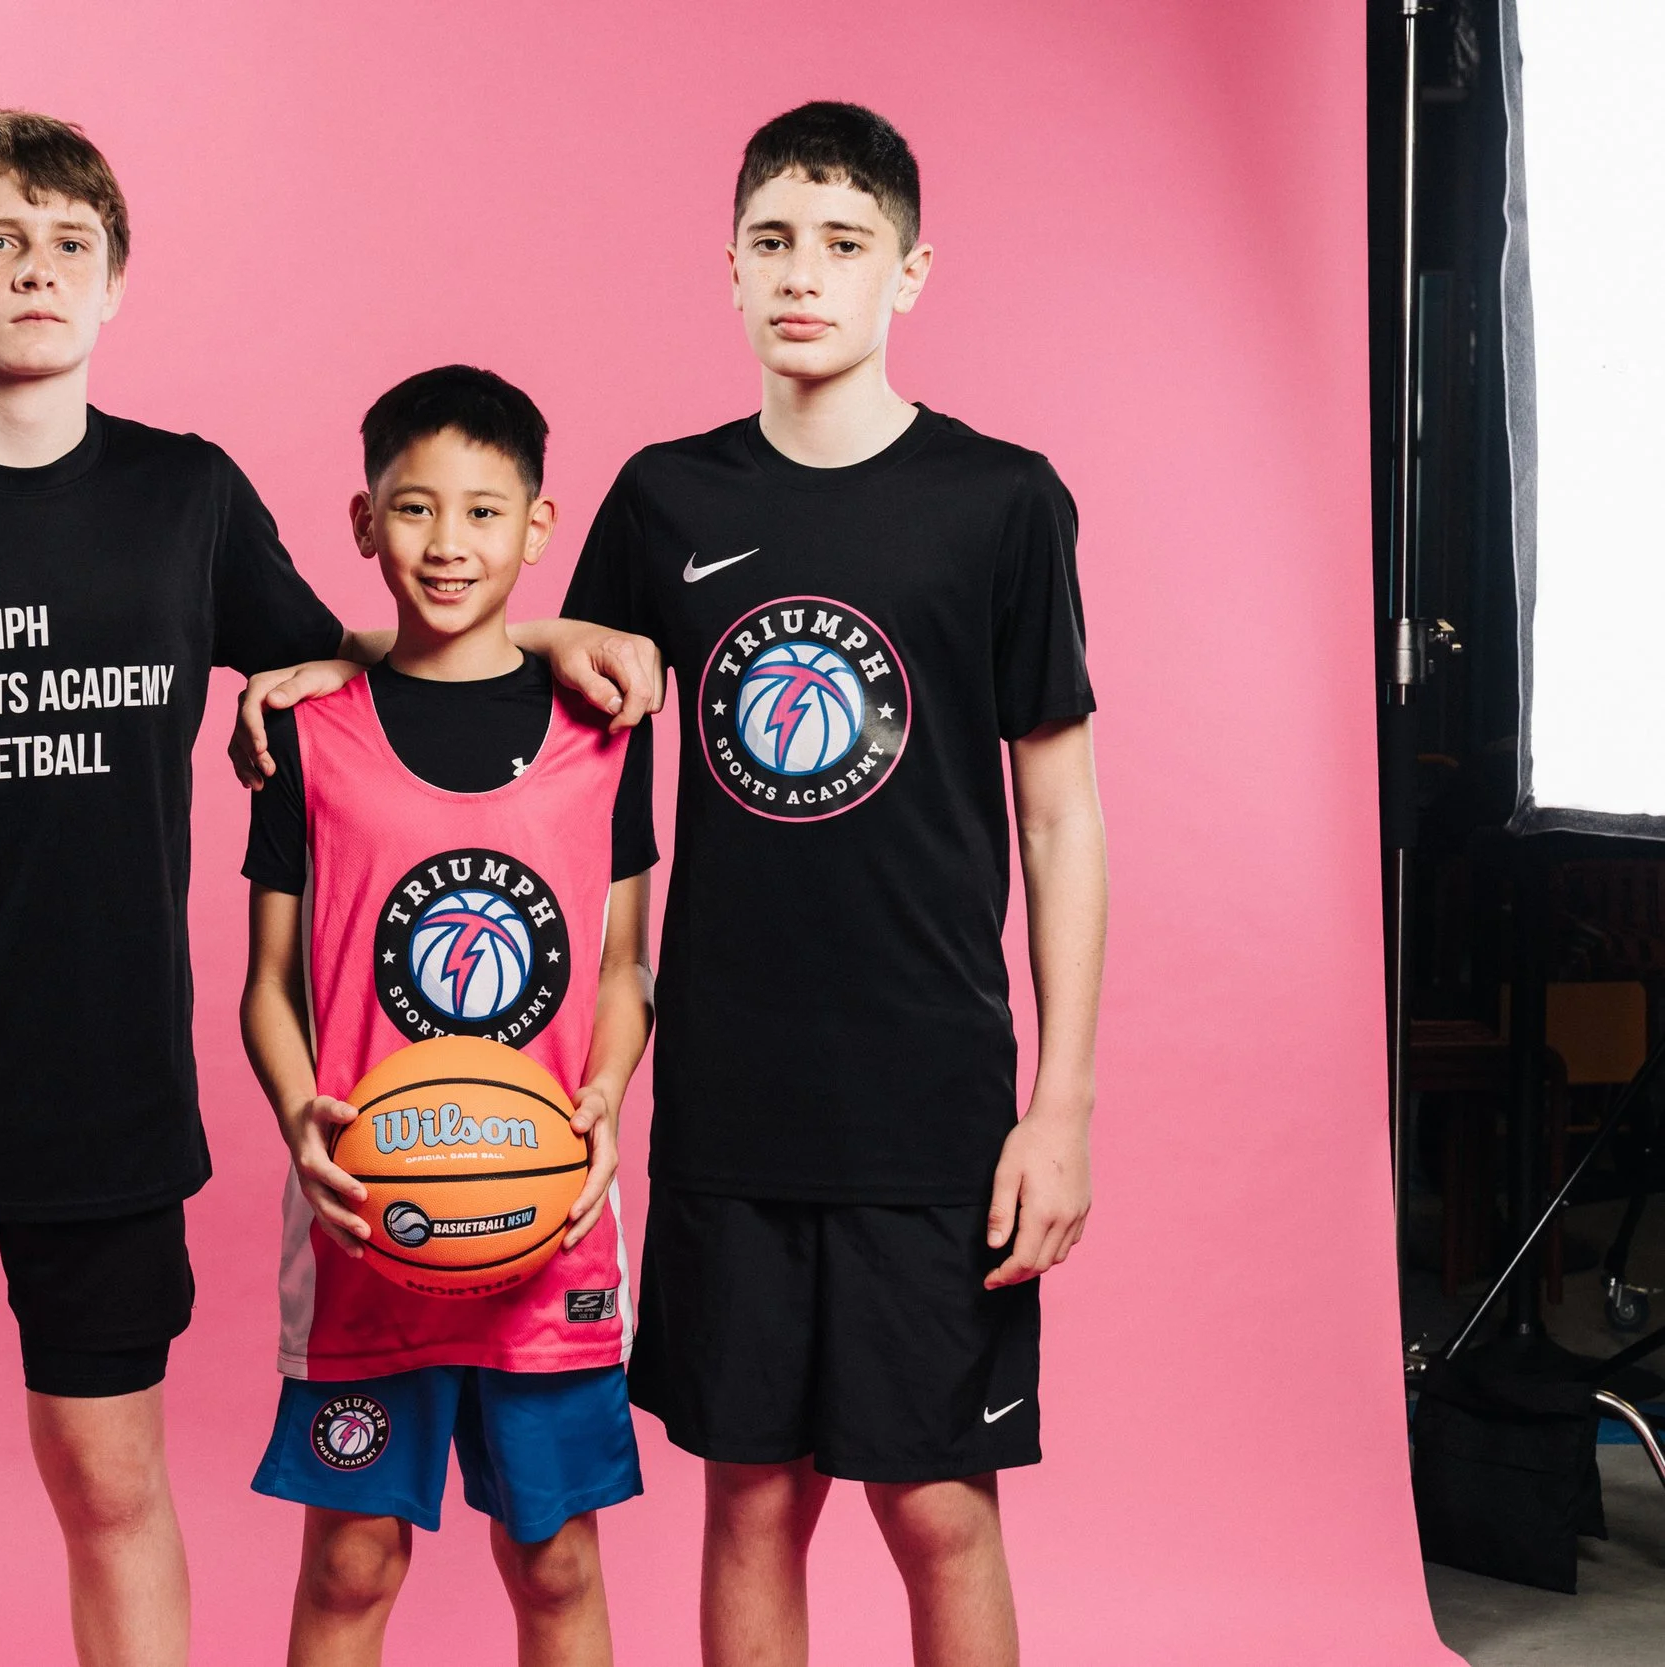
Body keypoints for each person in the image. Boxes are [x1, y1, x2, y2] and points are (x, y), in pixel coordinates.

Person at [0, 109, 660, 1667]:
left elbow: (355, 654)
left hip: (109, 1094)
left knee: (111, 1476)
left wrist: (539, 639)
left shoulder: (183, 496)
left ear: (117, 282)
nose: (37, 269)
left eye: (71, 243)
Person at [561, 103, 1107, 1667]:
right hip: (732, 1092)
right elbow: (577, 761)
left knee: (939, 1508)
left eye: (845, 244)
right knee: (751, 1497)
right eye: (775, 242)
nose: (806, 274)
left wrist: (1060, 1106)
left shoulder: (1000, 500)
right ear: (730, 269)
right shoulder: (665, 499)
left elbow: (1060, 817)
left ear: (908, 273)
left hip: (930, 1101)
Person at [237, 366, 657, 1667]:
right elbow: (268, 981)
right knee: (350, 1560)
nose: (448, 543)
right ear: (366, 523)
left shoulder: (604, 728)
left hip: (548, 1218)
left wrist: (604, 1099)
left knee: (556, 1558)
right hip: (371, 1213)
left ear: (537, 527)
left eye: (484, 511)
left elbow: (623, 966)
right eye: (416, 509)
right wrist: (302, 1118)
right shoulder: (309, 732)